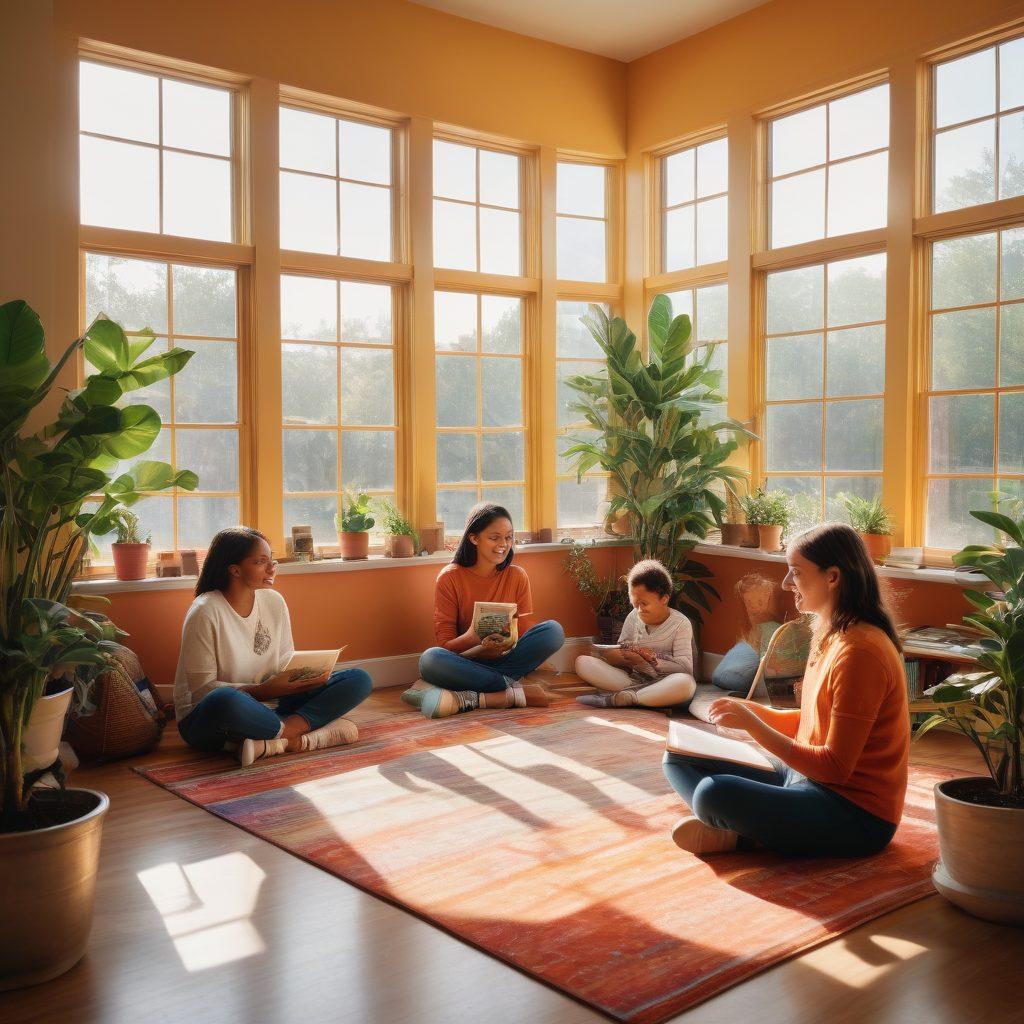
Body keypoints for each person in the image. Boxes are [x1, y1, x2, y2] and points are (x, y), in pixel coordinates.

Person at [663, 522, 909, 857]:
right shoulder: (830, 632)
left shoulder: (861, 652)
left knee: (711, 793)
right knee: (677, 758)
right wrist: (753, 711)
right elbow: (813, 724)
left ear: (833, 577)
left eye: (795, 572)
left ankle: (744, 835)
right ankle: (749, 829)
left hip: (854, 814)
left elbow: (835, 768)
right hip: (808, 779)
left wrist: (752, 726)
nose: (785, 583)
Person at [173, 527, 372, 766]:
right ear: (234, 570)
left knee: (359, 679)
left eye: (272, 560)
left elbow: (283, 661)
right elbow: (203, 691)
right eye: (261, 561)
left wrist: (303, 677)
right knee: (223, 699)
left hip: (271, 705)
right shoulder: (205, 611)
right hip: (210, 717)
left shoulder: (274, 601)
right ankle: (304, 734)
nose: (272, 568)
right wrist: (263, 690)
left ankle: (277, 737)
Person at [409, 502, 564, 718]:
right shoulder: (449, 578)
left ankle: (480, 691)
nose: (504, 544)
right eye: (495, 537)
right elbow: (445, 644)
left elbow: (526, 627)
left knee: (553, 630)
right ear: (474, 538)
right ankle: (506, 687)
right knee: (430, 660)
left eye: (509, 537)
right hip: (469, 660)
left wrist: (514, 640)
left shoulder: (517, 575)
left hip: (507, 657)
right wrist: (473, 637)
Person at [574, 559, 696, 708]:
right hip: (635, 679)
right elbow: (620, 656)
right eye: (635, 604)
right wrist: (619, 656)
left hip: (666, 682)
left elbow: (685, 669)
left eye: (644, 604)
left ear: (664, 599)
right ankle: (638, 697)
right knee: (582, 662)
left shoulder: (681, 624)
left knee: (686, 684)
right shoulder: (633, 616)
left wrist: (651, 660)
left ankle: (619, 699)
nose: (639, 610)